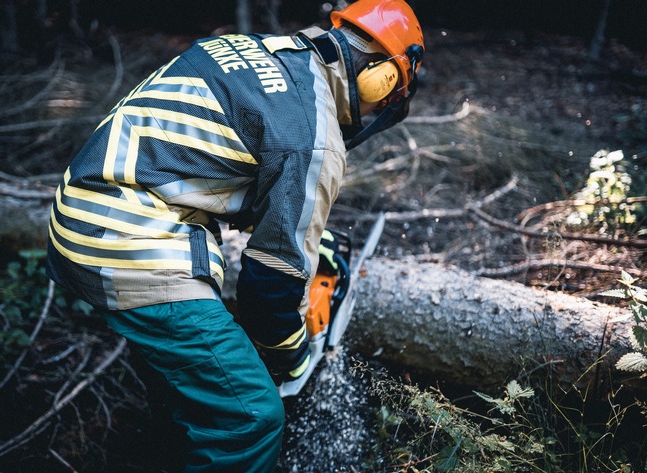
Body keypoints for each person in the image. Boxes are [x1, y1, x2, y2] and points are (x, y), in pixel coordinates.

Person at [46, 0, 424, 471]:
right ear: (381, 76)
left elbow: (208, 158)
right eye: (382, 100)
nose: (372, 110)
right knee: (250, 416)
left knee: (193, 401)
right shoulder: (315, 134)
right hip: (131, 245)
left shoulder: (249, 51)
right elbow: (269, 288)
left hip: (78, 216)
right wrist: (293, 356)